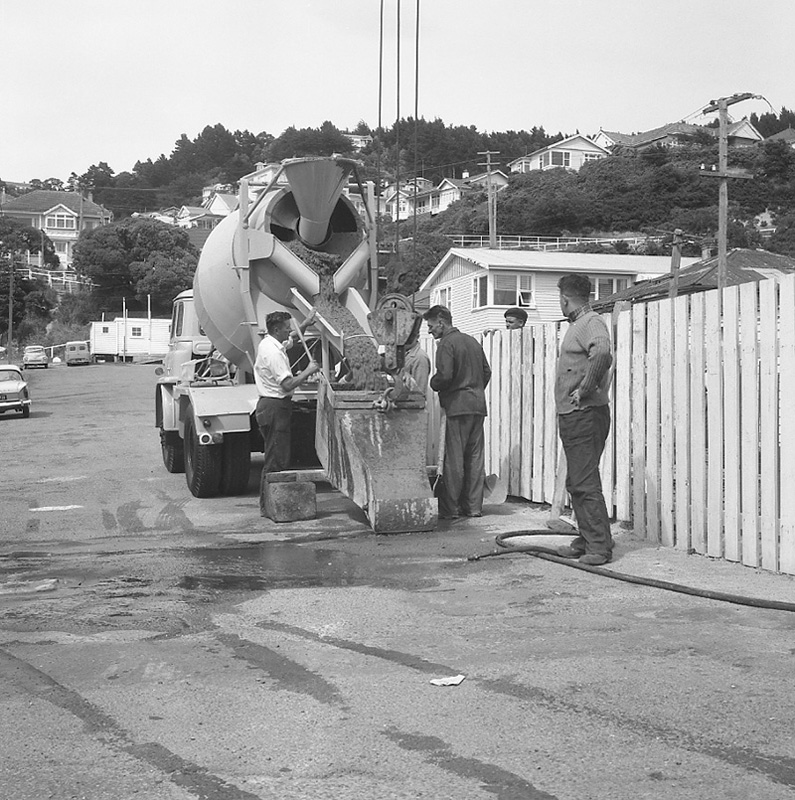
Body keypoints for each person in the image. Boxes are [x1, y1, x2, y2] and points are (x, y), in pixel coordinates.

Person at [554, 274, 614, 565]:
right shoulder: (580, 324)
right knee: (576, 480)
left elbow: (602, 351)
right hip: (576, 415)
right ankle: (589, 537)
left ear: (565, 298)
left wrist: (586, 388)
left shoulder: (590, 322)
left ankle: (599, 547)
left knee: (584, 480)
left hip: (584, 414)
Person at [424, 305, 491, 519]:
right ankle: (473, 507)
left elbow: (444, 376)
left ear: (442, 322)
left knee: (454, 460)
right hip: (477, 406)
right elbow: (486, 372)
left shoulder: (446, 344)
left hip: (457, 407)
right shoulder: (472, 341)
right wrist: (475, 390)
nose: (429, 331)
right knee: (474, 458)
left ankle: (450, 509)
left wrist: (433, 383)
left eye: (431, 326)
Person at [254, 309, 320, 516]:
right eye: (286, 328)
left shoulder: (270, 342)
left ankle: (270, 506)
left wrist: (305, 325)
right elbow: (287, 384)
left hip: (270, 406)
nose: (290, 330)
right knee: (276, 460)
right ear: (276, 329)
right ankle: (270, 508)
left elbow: (290, 339)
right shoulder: (273, 354)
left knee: (276, 456)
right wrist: (309, 371)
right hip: (275, 406)